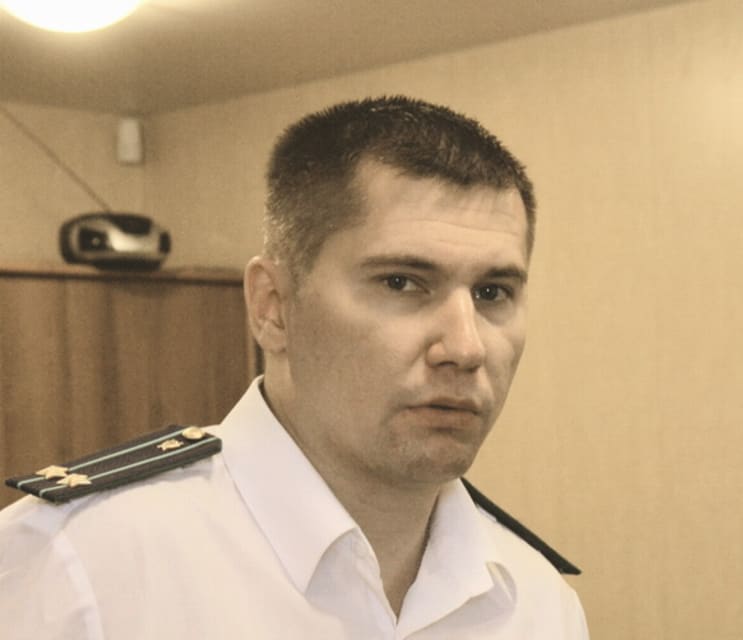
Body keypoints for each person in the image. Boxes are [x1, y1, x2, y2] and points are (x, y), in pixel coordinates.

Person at [0, 96, 589, 639]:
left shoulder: (536, 601)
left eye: (492, 292)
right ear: (273, 307)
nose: (465, 347)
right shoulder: (77, 566)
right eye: (401, 282)